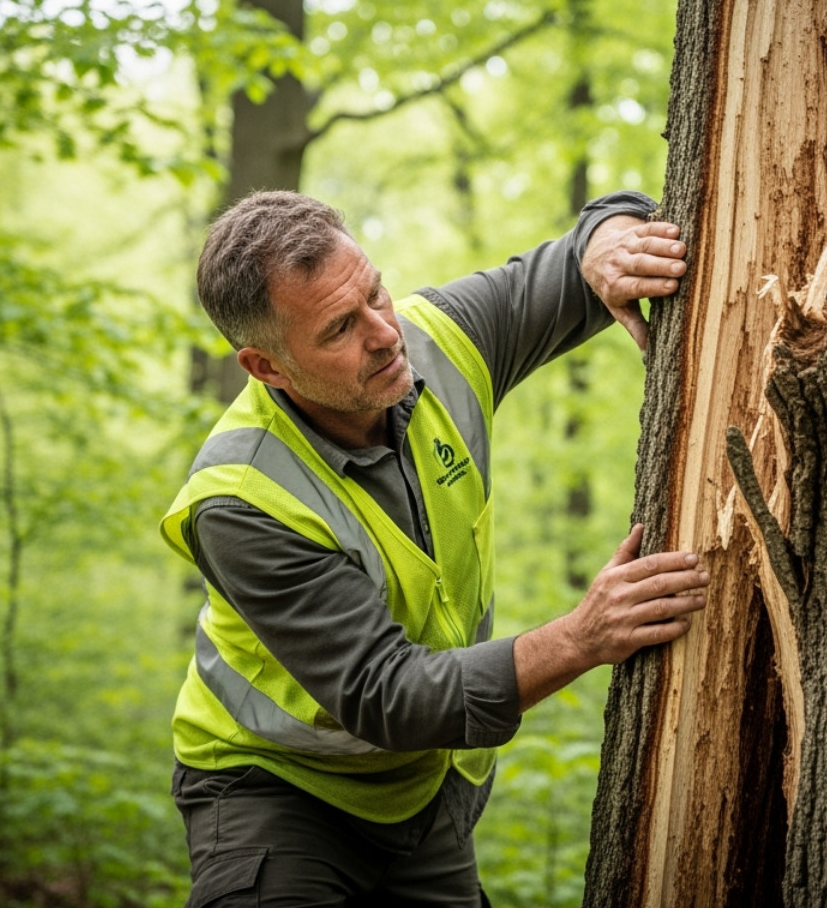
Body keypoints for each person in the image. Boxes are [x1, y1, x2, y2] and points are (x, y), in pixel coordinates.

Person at [162, 189, 709, 907]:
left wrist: (611, 238)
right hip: (275, 793)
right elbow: (385, 694)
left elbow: (592, 240)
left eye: (375, 292)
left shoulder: (437, 339)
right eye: (338, 330)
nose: (385, 333)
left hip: (422, 792)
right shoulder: (241, 499)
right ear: (267, 368)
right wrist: (580, 639)